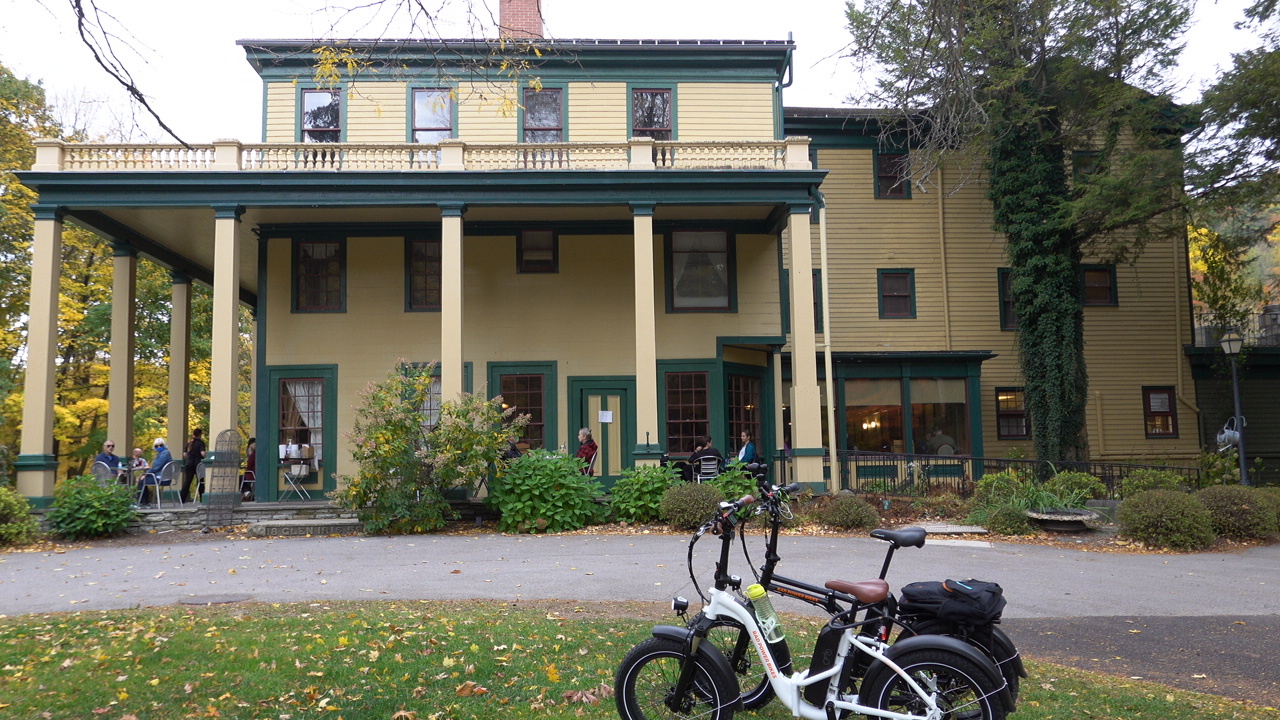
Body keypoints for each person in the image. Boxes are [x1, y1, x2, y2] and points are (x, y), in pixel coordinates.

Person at [137, 437, 173, 506]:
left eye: (161, 445)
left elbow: (156, 467)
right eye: (157, 446)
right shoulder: (163, 453)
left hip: (162, 479)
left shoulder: (164, 454)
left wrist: (146, 474)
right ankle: (145, 502)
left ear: (164, 445)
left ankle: (142, 503)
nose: (159, 447)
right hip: (163, 478)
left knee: (141, 480)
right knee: (143, 479)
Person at [181, 428, 206, 503]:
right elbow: (203, 453)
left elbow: (185, 454)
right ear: (200, 434)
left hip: (189, 464)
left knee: (187, 481)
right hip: (198, 465)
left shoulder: (189, 443)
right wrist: (206, 454)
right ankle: (202, 498)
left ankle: (182, 499)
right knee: (200, 481)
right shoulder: (201, 443)